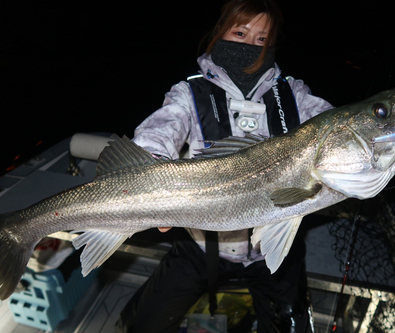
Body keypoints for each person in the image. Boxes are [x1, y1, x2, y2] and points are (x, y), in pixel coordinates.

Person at [116, 0, 333, 332]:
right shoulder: (188, 93)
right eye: (241, 32)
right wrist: (152, 185)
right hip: (201, 248)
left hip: (273, 252)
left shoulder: (294, 94)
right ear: (220, 33)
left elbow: (335, 127)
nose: (250, 46)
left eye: (262, 39)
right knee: (140, 324)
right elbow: (156, 135)